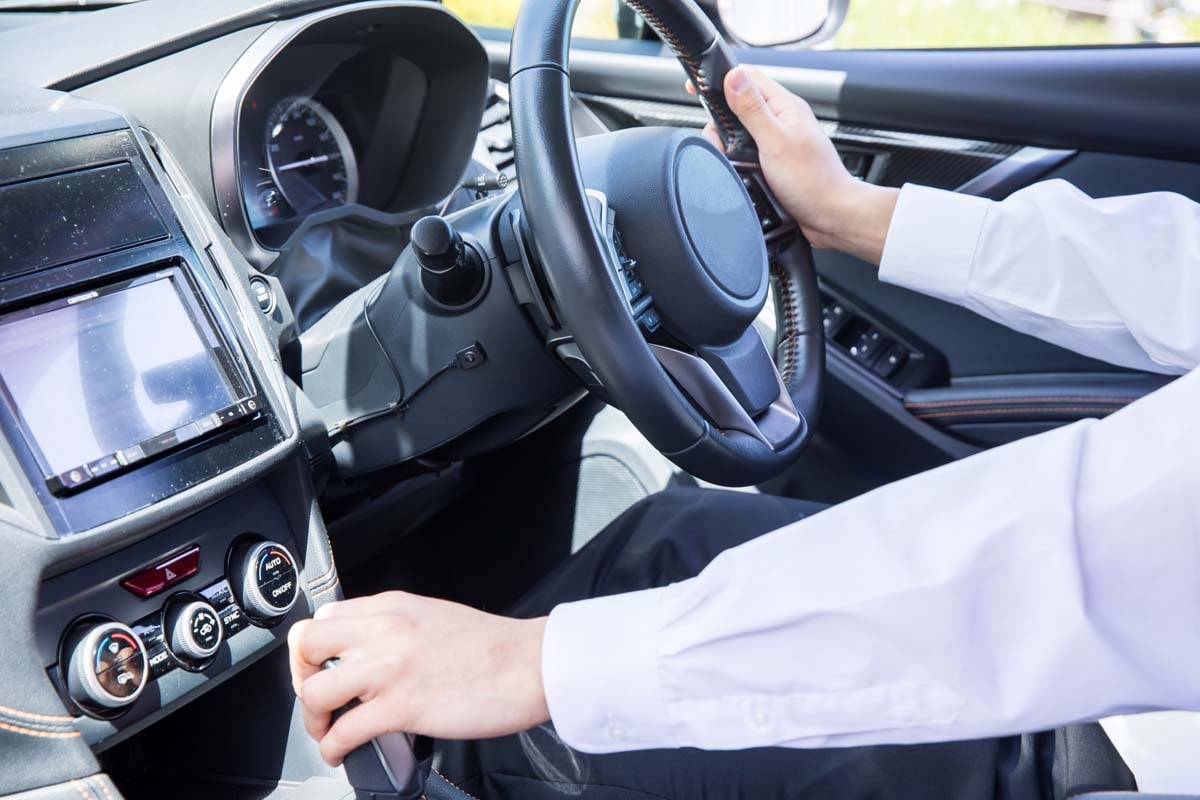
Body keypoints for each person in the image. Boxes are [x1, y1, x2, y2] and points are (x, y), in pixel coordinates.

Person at [288, 64, 1199, 798]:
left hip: (1110, 752)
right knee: (667, 539)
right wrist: (852, 212)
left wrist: (530, 666)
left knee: (510, 741)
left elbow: (1055, 575)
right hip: (1113, 670)